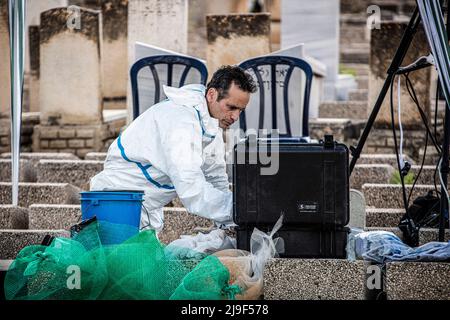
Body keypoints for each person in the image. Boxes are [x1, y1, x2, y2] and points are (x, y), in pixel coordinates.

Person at [90, 65, 257, 232]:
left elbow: (215, 178)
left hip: (146, 208)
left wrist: (231, 222)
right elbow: (192, 189)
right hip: (116, 203)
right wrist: (243, 211)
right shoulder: (180, 121)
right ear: (212, 94)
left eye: (240, 110)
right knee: (119, 257)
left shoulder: (210, 124)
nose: (236, 117)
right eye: (231, 107)